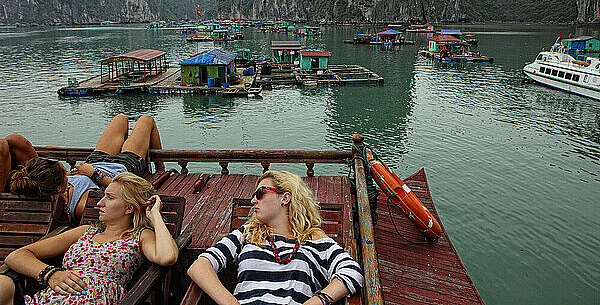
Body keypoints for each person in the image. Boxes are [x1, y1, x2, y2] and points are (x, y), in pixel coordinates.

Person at [187, 170, 363, 305]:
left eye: (260, 193)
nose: (253, 200)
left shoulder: (313, 238)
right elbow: (199, 266)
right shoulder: (247, 233)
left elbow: (352, 272)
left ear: (285, 198)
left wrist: (316, 301)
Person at [0, 172, 178, 305]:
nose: (99, 203)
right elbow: (16, 256)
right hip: (50, 297)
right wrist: (50, 274)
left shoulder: (139, 236)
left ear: (129, 208)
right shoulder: (85, 231)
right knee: (3, 283)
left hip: (93, 299)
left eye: (109, 197)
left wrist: (155, 215)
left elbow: (167, 256)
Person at [5, 114, 166, 221]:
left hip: (95, 161)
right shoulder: (83, 204)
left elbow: (16, 141)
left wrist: (84, 171)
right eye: (63, 171)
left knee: (121, 118)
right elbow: (126, 194)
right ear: (60, 186)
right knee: (146, 120)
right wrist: (94, 174)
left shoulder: (45, 184)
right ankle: (162, 169)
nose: (64, 168)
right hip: (122, 167)